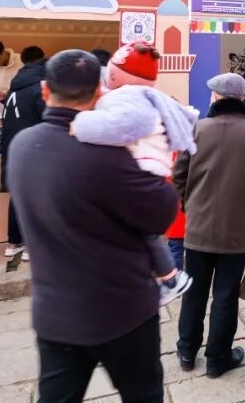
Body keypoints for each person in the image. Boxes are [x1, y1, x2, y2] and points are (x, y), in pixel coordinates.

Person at [9, 50, 178, 403]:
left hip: (55, 310)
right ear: (100, 92)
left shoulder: (23, 146)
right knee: (144, 395)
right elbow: (161, 213)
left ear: (45, 90)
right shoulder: (108, 155)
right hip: (122, 309)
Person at [71, 43, 199, 305]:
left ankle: (170, 279)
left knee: (140, 232)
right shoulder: (142, 96)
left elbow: (124, 125)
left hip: (141, 178)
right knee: (143, 233)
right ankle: (169, 278)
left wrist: (81, 125)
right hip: (149, 180)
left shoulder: (130, 98)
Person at [174, 73, 245, 379]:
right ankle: (217, 358)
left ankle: (186, 352)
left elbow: (179, 177)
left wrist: (189, 207)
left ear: (217, 98)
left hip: (198, 229)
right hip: (237, 231)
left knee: (194, 292)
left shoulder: (197, 129)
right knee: (225, 295)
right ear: (242, 99)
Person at [0, 45, 46, 261]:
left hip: (13, 148)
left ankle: (13, 242)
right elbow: (48, 118)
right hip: (35, 149)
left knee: (18, 195)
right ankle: (30, 246)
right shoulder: (39, 88)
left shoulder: (14, 88)